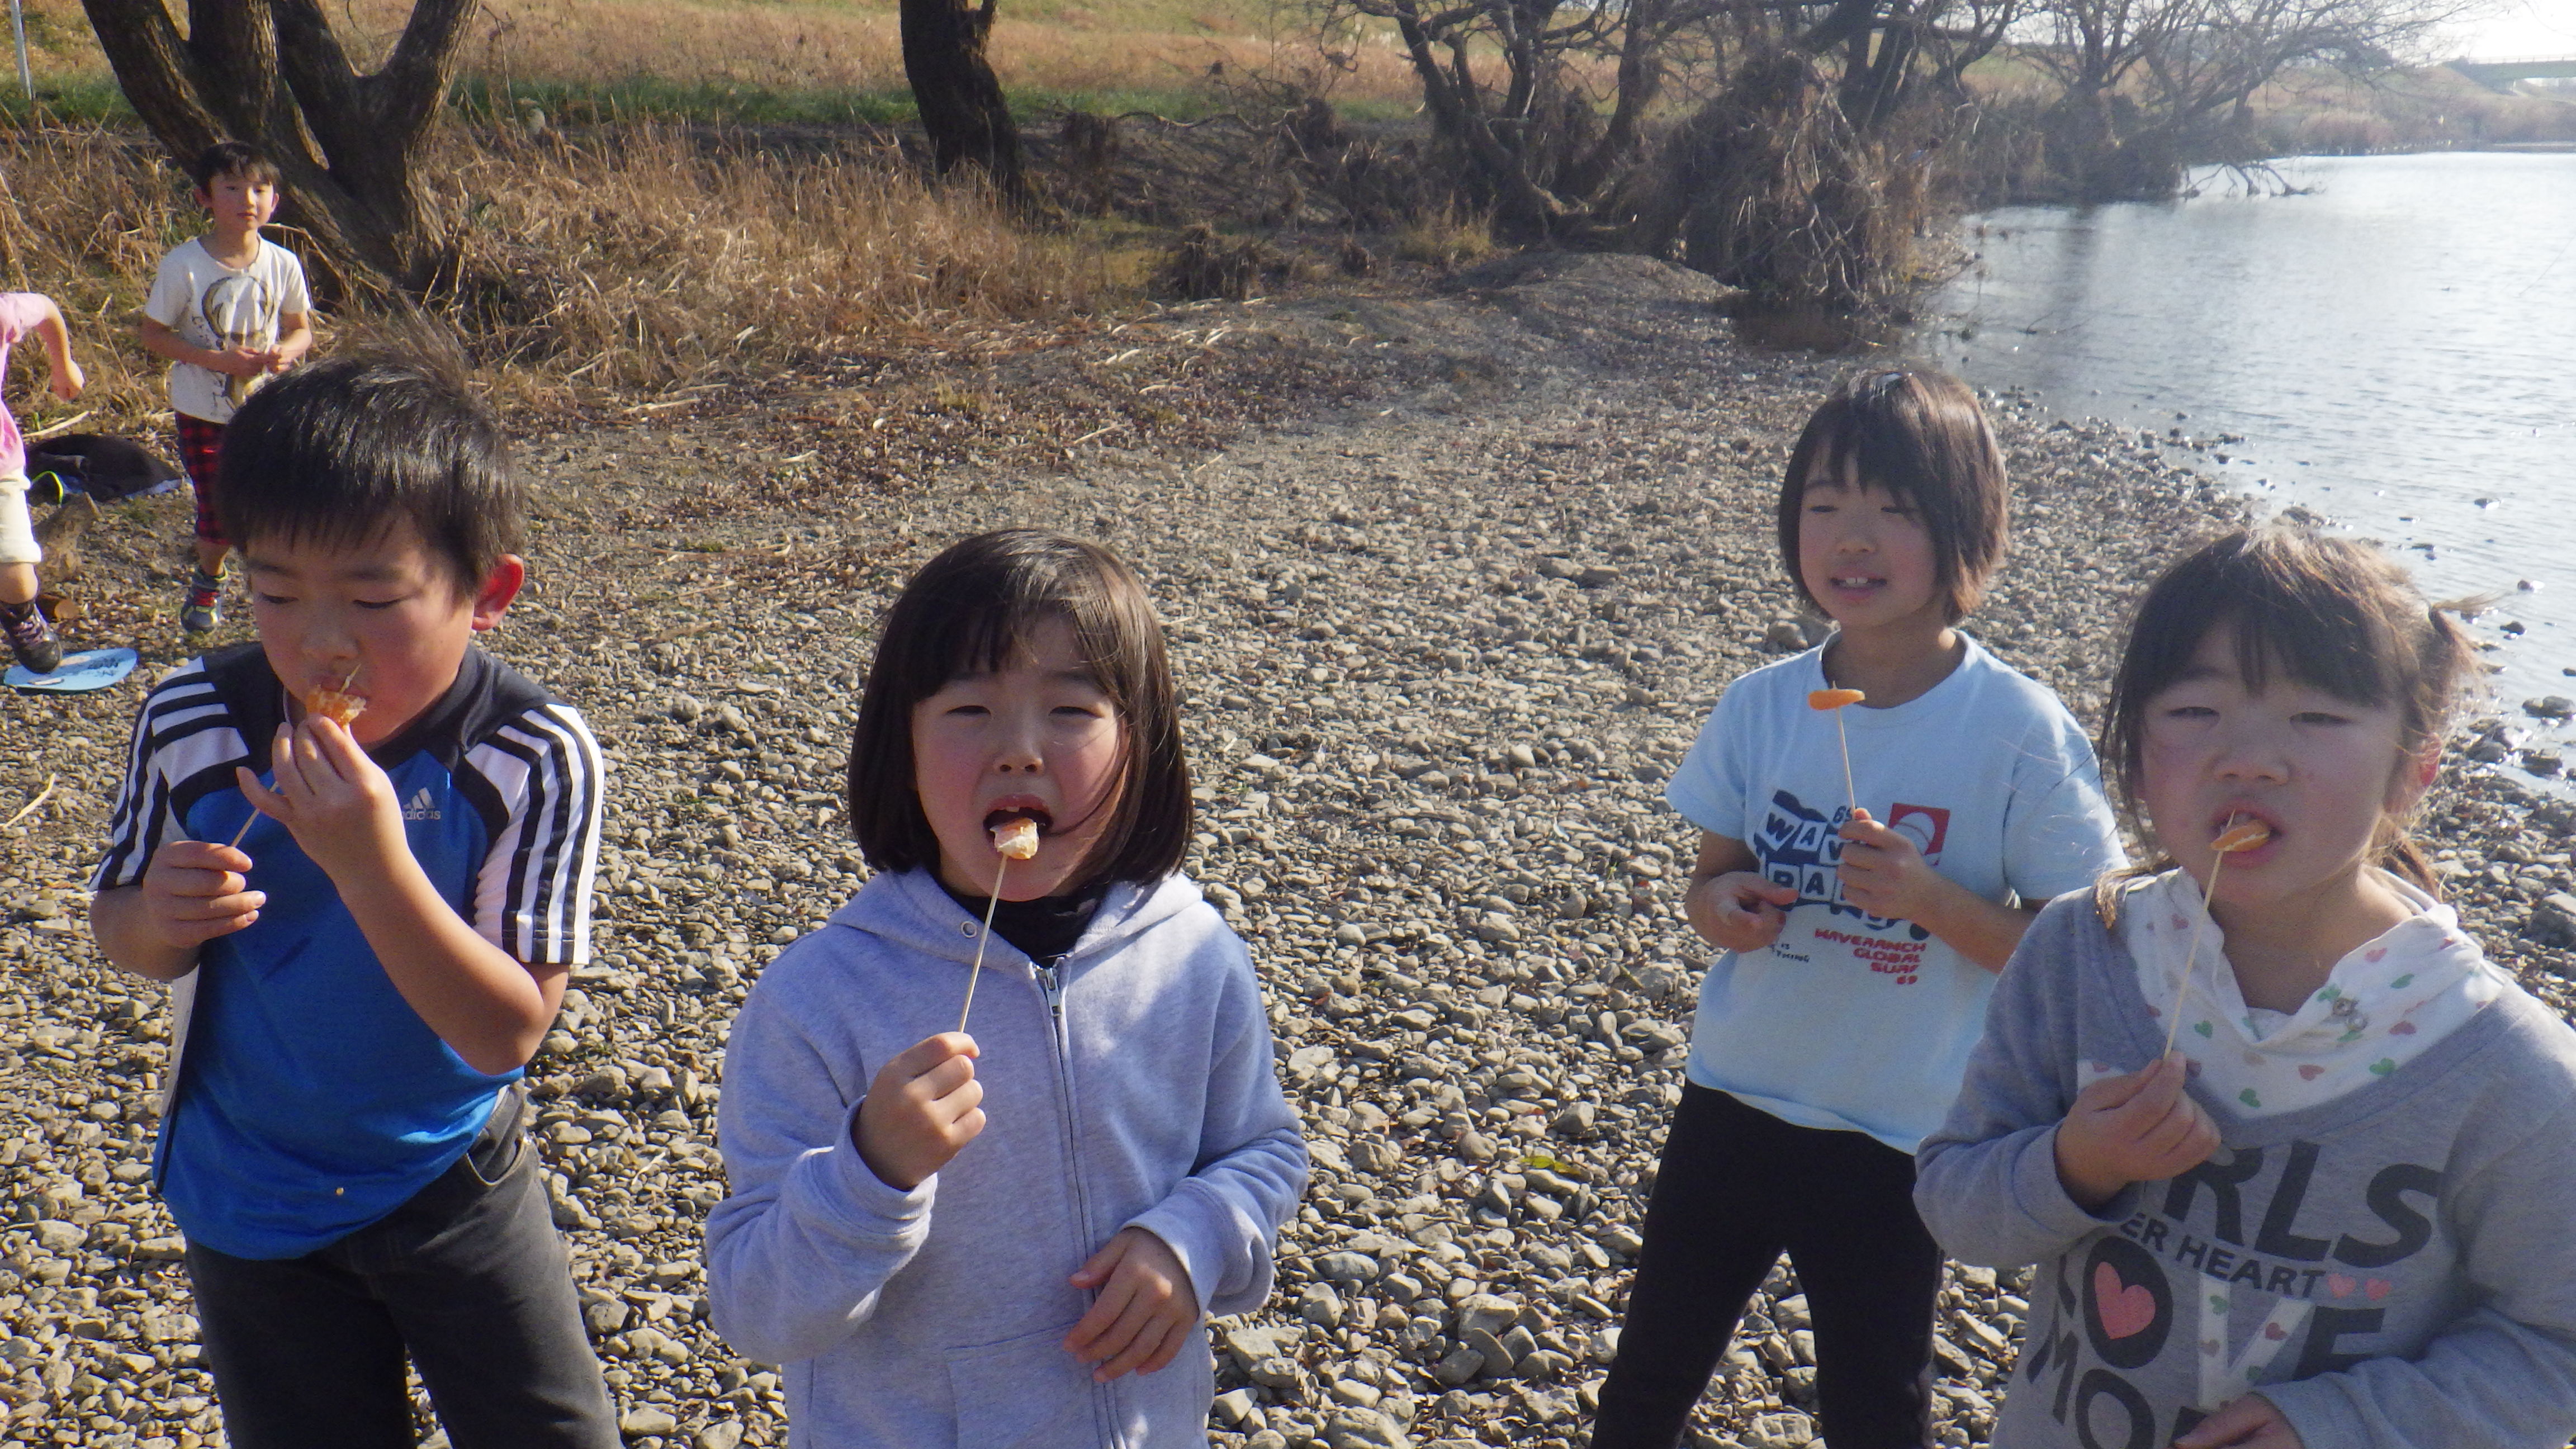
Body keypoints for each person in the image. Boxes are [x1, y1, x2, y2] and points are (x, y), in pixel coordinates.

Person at [1916, 527, 2576, 1449]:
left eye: (2315, 717)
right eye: (2193, 711)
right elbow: (1954, 1202)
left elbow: (2553, 1348)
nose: (2250, 757)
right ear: (2135, 755)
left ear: (2412, 767)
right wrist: (2075, 1161)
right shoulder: (2081, 951)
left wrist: (2339, 1425)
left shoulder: (2502, 1068)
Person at [87, 344, 617, 1449]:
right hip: (250, 1193)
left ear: (488, 596)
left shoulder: (530, 753)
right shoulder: (194, 722)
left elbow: (504, 1028)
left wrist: (370, 863)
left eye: (374, 600)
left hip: (451, 1172)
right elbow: (121, 933)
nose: (321, 642)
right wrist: (159, 921)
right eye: (276, 592)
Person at [1591, 369, 2127, 1449]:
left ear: (1964, 532)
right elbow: (1709, 880)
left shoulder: (2017, 728)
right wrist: (1725, 908)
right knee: (1645, 1383)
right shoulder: (1760, 703)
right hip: (1734, 1098)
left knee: (1874, 1408)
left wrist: (1929, 900)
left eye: (1894, 509)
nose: (1852, 536)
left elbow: (2078, 952)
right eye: (1825, 504)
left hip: (1897, 1132)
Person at [705, 528, 1307, 1447]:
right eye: (969, 710)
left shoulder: (1193, 956)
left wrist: (1189, 1241)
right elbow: (756, 1310)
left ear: (1138, 745)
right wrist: (868, 1173)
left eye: (1069, 710)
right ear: (899, 745)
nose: (1019, 750)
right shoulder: (818, 1000)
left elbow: (1262, 1152)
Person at [139, 139, 314, 634]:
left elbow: (303, 328)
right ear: (205, 199)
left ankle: (277, 593)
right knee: (217, 509)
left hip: (268, 409)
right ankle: (208, 580)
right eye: (233, 188)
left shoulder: (282, 263)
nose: (248, 200)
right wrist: (217, 360)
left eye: (260, 189)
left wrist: (286, 351)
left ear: (275, 200)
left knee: (271, 506)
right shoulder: (184, 265)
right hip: (203, 409)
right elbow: (153, 334)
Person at [0, 291, 84, 671]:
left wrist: (63, 365)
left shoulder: (4, 313)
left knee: (18, 580)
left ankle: (18, 610)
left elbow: (47, 309)